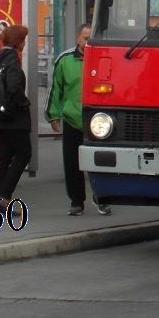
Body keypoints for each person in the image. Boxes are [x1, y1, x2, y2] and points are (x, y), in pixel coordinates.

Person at [45, 23, 110, 216]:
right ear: (77, 38)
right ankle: (76, 202)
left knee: (100, 164)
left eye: (91, 38)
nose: (87, 42)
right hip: (73, 119)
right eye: (85, 38)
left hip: (99, 122)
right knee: (72, 164)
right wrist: (53, 115)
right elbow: (55, 89)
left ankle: (102, 198)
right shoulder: (65, 60)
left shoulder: (103, 58)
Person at [0, 24, 32, 213]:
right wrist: (23, 104)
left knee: (3, 157)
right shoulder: (12, 60)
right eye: (24, 39)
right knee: (23, 154)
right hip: (13, 117)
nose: (25, 42)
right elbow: (13, 88)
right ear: (18, 41)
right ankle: (3, 197)